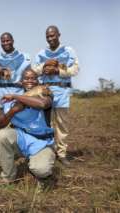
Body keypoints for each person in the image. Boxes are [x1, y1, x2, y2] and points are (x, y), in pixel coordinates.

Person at [0, 69, 55, 187]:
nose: (30, 81)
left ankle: (42, 160)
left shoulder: (45, 94)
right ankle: (8, 177)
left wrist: (15, 96)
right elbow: (0, 124)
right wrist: (12, 111)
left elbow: (42, 104)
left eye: (33, 78)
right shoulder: (11, 102)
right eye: (26, 78)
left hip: (41, 141)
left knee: (41, 170)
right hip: (21, 138)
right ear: (21, 82)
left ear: (38, 81)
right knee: (2, 136)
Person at [32, 25, 79, 166]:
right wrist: (45, 66)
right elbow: (34, 70)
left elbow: (75, 69)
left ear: (59, 34)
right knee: (46, 123)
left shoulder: (68, 51)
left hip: (62, 91)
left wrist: (58, 71)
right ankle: (48, 150)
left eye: (53, 35)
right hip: (46, 91)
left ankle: (62, 153)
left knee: (61, 125)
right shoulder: (42, 53)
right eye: (48, 36)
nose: (50, 38)